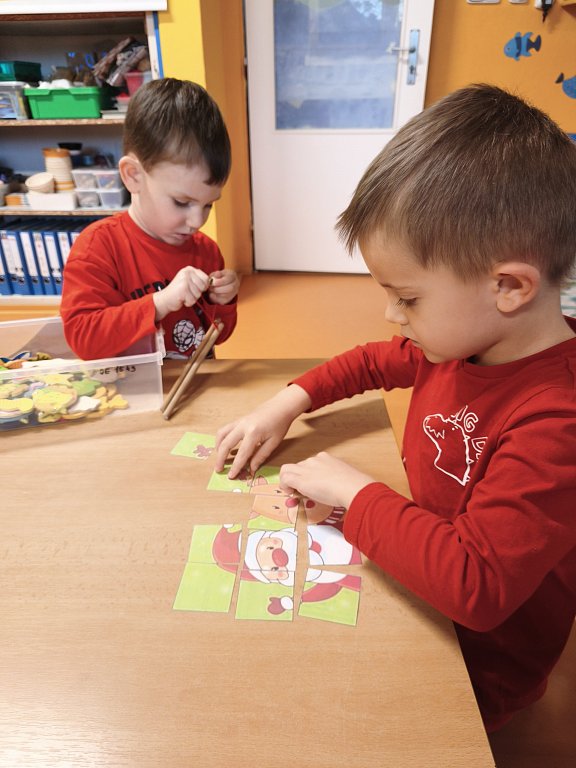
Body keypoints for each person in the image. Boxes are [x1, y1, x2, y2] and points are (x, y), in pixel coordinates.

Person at [214, 83, 576, 733]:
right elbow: (371, 362)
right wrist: (286, 403)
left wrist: (356, 493)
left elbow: (477, 583)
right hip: (421, 591)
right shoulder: (463, 341)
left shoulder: (558, 421)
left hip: (480, 667)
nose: (391, 315)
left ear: (509, 286)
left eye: (407, 298)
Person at [61, 78, 239, 360]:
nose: (197, 221)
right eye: (181, 202)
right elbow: (84, 339)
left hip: (196, 382)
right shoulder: (98, 247)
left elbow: (220, 334)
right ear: (133, 175)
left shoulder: (206, 252)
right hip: (128, 385)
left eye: (208, 205)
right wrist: (159, 303)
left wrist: (225, 301)